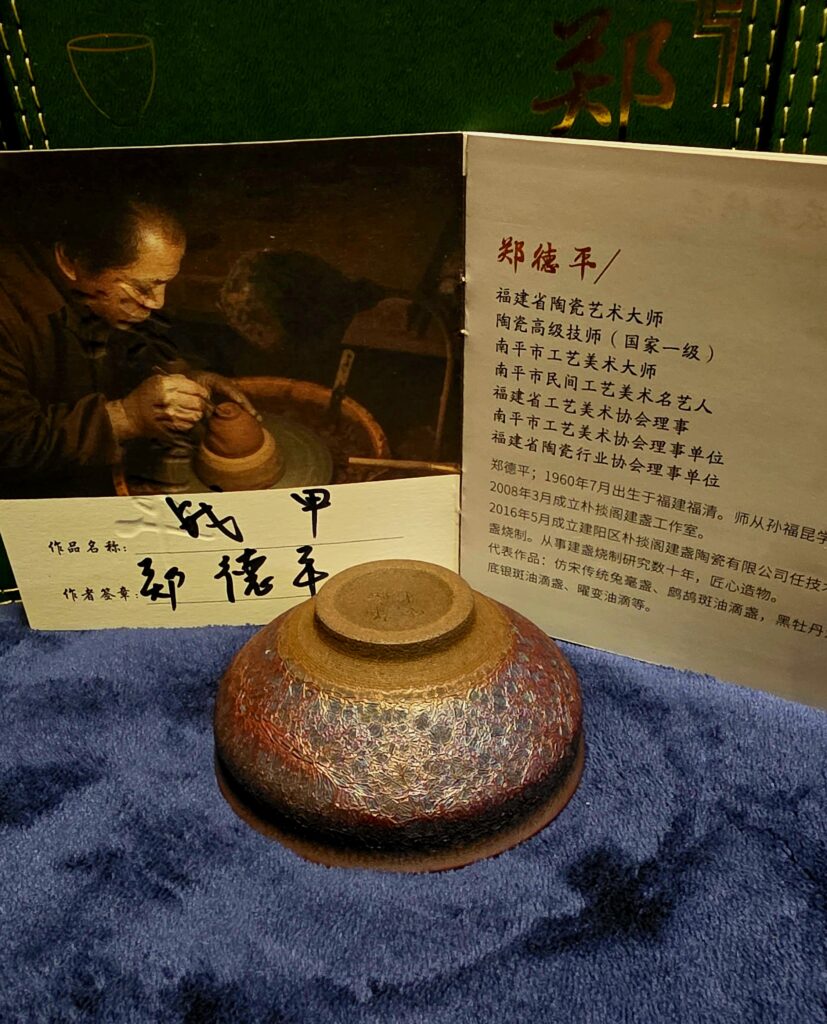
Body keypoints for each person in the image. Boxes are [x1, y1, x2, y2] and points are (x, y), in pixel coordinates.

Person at [0, 183, 254, 498]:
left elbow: (127, 349)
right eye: (143, 287)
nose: (158, 302)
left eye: (164, 284)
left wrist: (182, 376)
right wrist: (127, 416)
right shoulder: (9, 314)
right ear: (72, 261)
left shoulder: (99, 290)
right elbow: (10, 444)